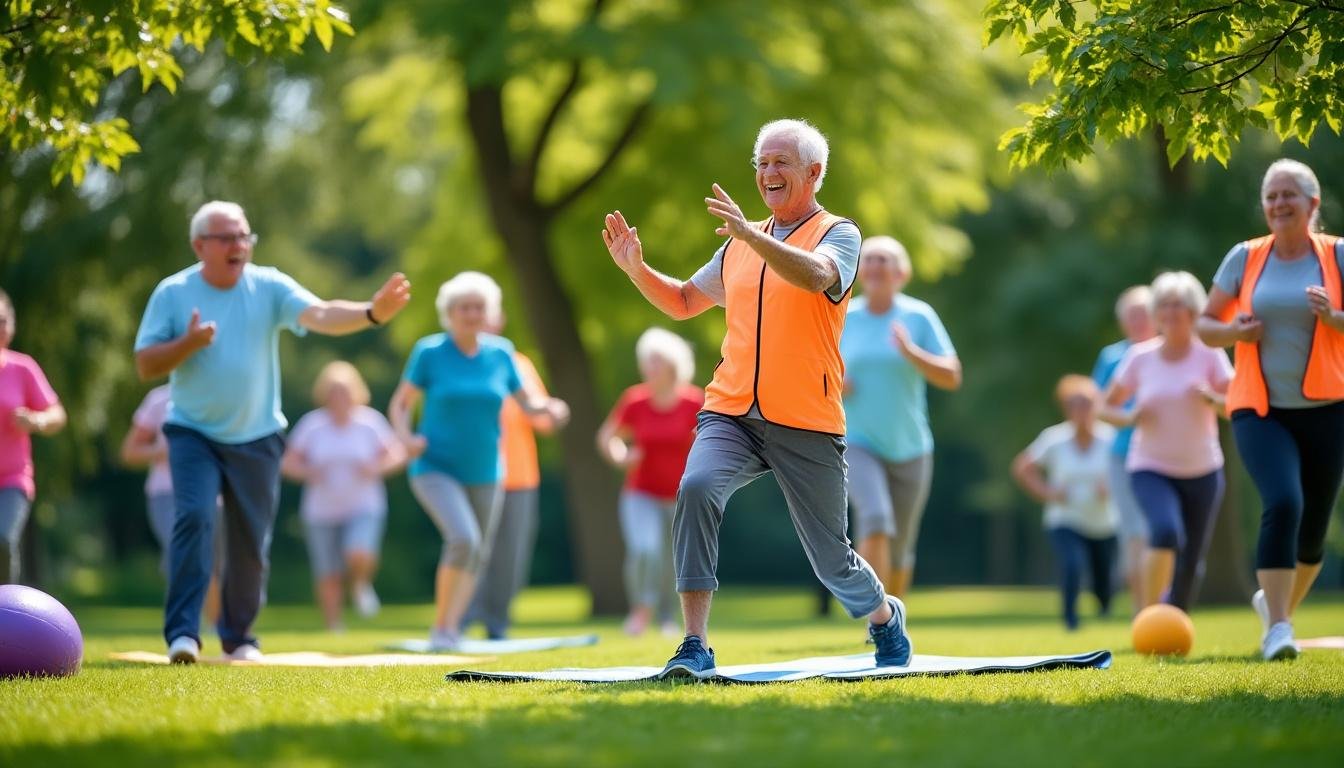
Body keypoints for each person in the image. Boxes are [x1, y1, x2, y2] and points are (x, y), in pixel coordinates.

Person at [601, 118, 910, 679]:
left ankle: (883, 616)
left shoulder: (838, 233)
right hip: (732, 410)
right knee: (695, 489)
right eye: (762, 163)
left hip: (807, 418)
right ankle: (695, 643)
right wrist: (635, 268)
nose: (767, 173)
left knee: (830, 557)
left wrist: (752, 237)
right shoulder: (738, 246)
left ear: (813, 173)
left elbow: (818, 277)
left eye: (781, 163)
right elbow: (681, 302)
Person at [134, 200, 411, 664]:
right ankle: (182, 634)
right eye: (226, 238)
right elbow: (146, 364)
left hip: (258, 435)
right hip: (192, 432)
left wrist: (371, 312)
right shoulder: (173, 292)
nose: (238, 246)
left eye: (244, 236)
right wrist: (190, 343)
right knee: (195, 519)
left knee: (250, 541)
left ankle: (239, 637)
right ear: (199, 245)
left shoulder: (269, 285)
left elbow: (321, 314)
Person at [1197, 159, 1344, 661]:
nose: (1279, 204)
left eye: (1289, 195)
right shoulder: (1244, 257)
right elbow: (1204, 326)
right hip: (1259, 408)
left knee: (1314, 530)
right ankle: (1278, 628)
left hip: (1329, 408)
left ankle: (1275, 607)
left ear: (1313, 204)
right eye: (1271, 196)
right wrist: (1235, 333)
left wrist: (1335, 316)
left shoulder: (1338, 255)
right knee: (1284, 502)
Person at [389, 272, 569, 650]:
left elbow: (527, 403)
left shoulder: (501, 353)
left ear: (488, 313)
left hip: (487, 471)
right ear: (449, 313)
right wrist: (406, 438)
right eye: (464, 308)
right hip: (435, 466)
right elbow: (401, 403)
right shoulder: (430, 352)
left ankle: (451, 628)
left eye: (478, 307)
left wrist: (550, 408)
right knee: (463, 538)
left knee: (477, 551)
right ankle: (442, 628)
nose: (472, 314)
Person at [1103, 272, 1232, 614]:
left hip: (1203, 469)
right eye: (1164, 306)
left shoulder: (1210, 356)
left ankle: (1174, 621)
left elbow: (1238, 406)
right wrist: (1130, 417)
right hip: (1150, 466)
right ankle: (1147, 616)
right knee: (1165, 532)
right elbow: (1105, 406)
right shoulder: (1139, 357)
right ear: (1156, 313)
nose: (1171, 312)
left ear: (1193, 311)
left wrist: (1213, 401)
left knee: (1191, 559)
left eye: (1179, 305)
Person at [840, 235, 960, 599]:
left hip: (911, 446)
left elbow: (952, 376)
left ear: (902, 273)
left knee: (901, 547)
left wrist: (911, 352)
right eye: (870, 259)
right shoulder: (843, 315)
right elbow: (812, 367)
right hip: (857, 441)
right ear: (860, 271)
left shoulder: (918, 316)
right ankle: (876, 623)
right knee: (875, 519)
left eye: (885, 259)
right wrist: (832, 380)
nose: (876, 265)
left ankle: (893, 618)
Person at [281, 361, 405, 631]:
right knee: (328, 571)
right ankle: (334, 626)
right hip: (320, 510)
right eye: (333, 392)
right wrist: (308, 472)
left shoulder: (370, 422)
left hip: (364, 505)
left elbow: (397, 454)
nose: (339, 398)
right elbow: (287, 462)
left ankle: (361, 584)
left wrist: (375, 467)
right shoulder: (312, 425)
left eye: (344, 391)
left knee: (358, 551)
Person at [596, 327, 704, 637]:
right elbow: (608, 437)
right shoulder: (635, 400)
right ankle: (640, 612)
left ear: (673, 364)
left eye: (656, 360)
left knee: (675, 558)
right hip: (640, 492)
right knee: (645, 549)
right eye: (646, 361)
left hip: (682, 494)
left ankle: (670, 618)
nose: (649, 367)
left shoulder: (694, 401)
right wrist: (620, 457)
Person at [463, 312, 559, 640]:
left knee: (510, 555)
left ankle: (496, 624)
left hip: (519, 476)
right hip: (472, 474)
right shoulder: (459, 361)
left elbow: (543, 421)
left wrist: (552, 411)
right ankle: (458, 619)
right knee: (469, 547)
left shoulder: (520, 364)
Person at [1012, 375, 1117, 630]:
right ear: (1067, 410)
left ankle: (1103, 606)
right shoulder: (1054, 439)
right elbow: (1022, 467)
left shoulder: (1111, 438)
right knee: (1072, 563)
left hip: (1103, 522)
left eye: (1087, 404)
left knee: (1103, 581)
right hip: (1064, 519)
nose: (1082, 411)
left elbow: (1129, 471)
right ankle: (1070, 619)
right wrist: (1046, 491)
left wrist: (1111, 487)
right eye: (1075, 405)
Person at [120, 384, 221, 624]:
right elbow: (130, 452)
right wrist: (160, 451)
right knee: (182, 554)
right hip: (166, 493)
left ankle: (214, 627)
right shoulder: (159, 399)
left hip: (211, 492)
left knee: (210, 562)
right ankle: (185, 626)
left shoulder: (219, 393)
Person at [1091, 286, 1158, 614]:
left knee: (1162, 533)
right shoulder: (1112, 357)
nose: (1138, 321)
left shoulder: (1171, 352)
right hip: (1123, 456)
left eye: (1144, 314)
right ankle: (1141, 610)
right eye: (1132, 315)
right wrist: (1130, 417)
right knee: (1135, 534)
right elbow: (1097, 407)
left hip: (1167, 455)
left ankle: (1161, 606)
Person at [0, 288, 66, 584]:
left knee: (2, 539)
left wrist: (36, 420)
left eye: (2, 320)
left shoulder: (22, 368)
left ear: (11, 327)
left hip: (13, 479)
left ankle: (5, 616)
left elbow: (57, 414)